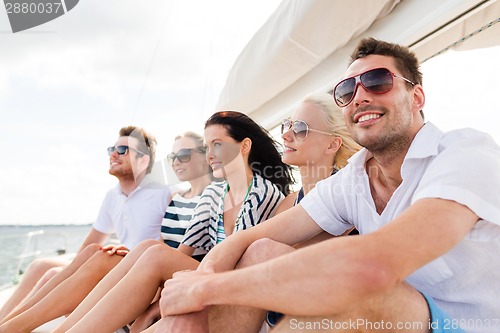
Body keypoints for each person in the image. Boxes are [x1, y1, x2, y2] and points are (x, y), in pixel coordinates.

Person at [156, 38, 500, 333]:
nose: (359, 97)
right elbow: (247, 238)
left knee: (370, 294)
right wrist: (197, 289)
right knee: (261, 250)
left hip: (464, 325)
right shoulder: (354, 177)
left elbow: (374, 265)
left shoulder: (464, 153)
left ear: (417, 97)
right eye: (347, 91)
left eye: (378, 81)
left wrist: (207, 290)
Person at [50, 110, 294, 333]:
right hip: (207, 273)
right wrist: (154, 300)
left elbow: (239, 261)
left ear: (245, 146)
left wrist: (156, 307)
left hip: (234, 283)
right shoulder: (215, 193)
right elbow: (183, 250)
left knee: (154, 253)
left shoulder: (264, 193)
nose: (210, 155)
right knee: (149, 248)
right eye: (207, 146)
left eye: (217, 145)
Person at [0, 125, 170, 332]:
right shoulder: (113, 195)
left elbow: (167, 246)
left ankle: (15, 327)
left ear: (143, 160)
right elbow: (93, 240)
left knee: (52, 273)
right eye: (112, 150)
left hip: (136, 265)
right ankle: (4, 320)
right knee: (41, 265)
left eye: (123, 150)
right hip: (117, 259)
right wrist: (73, 271)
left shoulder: (163, 193)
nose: (114, 154)